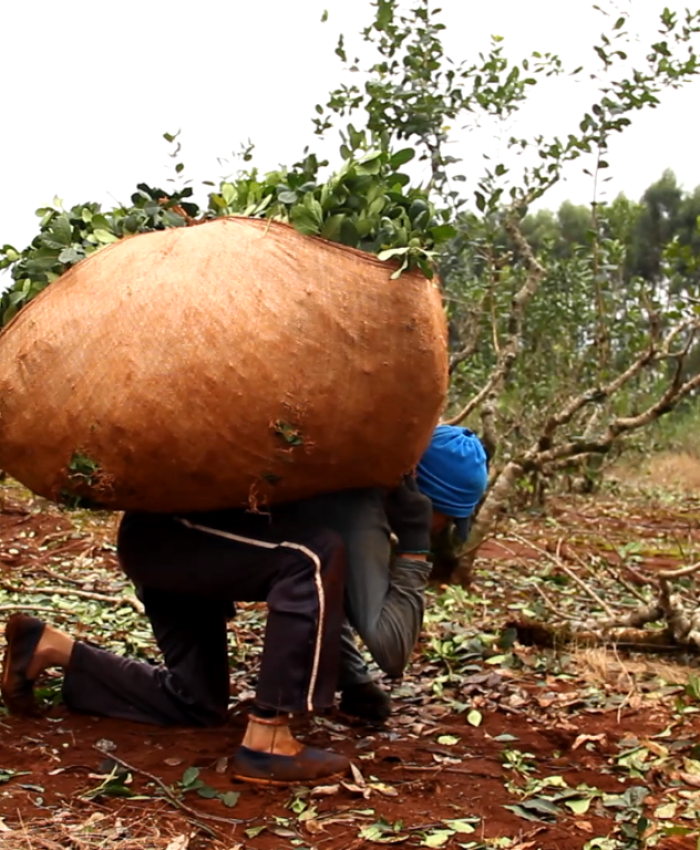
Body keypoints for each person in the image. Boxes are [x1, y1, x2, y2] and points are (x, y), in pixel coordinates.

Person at [1, 507, 351, 785]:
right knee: (311, 556)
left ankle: (53, 647)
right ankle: (268, 739)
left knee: (197, 702)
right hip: (173, 535)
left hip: (166, 538)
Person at [283, 425, 489, 723]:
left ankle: (350, 677)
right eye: (447, 515)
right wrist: (415, 548)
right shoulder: (361, 514)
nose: (443, 527)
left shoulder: (361, 494)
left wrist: (355, 680)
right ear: (421, 497)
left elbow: (328, 588)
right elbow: (392, 653)